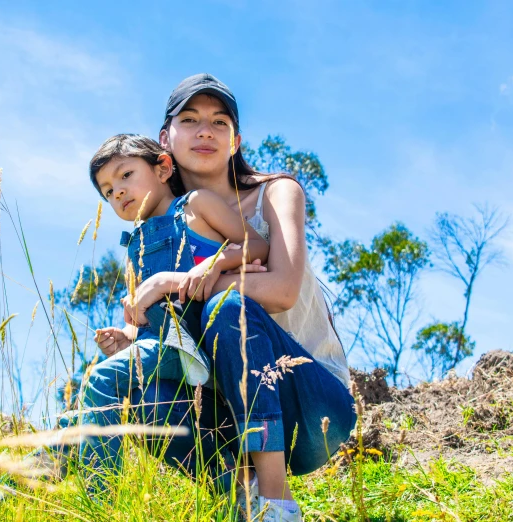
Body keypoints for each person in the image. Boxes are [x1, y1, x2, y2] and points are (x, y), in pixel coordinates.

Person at [126, 74, 356, 521]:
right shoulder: (160, 228)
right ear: (164, 140)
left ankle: (277, 505)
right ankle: (238, 496)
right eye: (189, 119)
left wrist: (181, 280)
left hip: (313, 406)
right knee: (137, 387)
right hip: (224, 412)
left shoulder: (275, 192)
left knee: (228, 307)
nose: (205, 130)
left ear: (235, 140)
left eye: (219, 121)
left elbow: (283, 289)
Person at [76, 133, 269, 480]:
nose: (117, 192)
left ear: (163, 168)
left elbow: (257, 246)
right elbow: (150, 321)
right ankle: (228, 484)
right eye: (107, 191)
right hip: (167, 349)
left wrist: (210, 265)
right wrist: (126, 336)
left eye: (125, 175)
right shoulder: (135, 248)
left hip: (202, 342)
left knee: (101, 380)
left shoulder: (196, 205)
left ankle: (97, 500)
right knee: (128, 400)